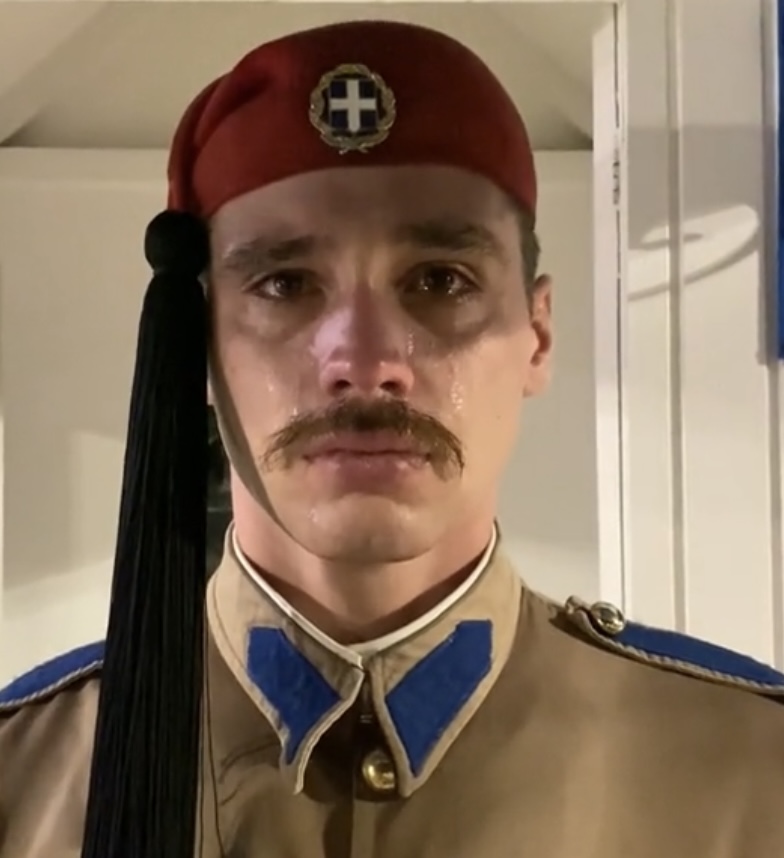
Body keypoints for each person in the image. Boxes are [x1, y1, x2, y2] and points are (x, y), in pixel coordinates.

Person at [1, 19, 784, 858]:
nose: (366, 363)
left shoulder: (752, 774)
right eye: (285, 284)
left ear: (538, 335)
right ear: (195, 342)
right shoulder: (20, 781)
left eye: (441, 280)